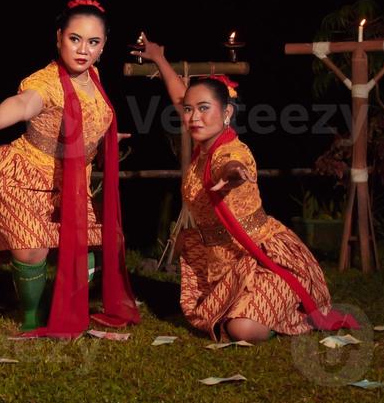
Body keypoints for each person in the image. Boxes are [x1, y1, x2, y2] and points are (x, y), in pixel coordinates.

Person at [139, 37, 356, 340]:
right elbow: (180, 97)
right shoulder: (203, 145)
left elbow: (233, 166)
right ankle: (246, 307)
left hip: (260, 258)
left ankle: (290, 308)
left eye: (204, 108)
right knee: (224, 322)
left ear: (227, 113)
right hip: (221, 262)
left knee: (243, 330)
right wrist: (159, 59)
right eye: (189, 110)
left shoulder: (232, 152)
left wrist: (232, 176)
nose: (193, 117)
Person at [0, 0, 138, 337]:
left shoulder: (94, 77)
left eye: (93, 42)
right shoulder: (45, 81)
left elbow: (86, 118)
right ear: (59, 38)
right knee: (32, 248)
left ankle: (65, 306)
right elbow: (25, 104)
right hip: (23, 174)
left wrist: (99, 138)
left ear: (103, 47)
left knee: (85, 246)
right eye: (75, 39)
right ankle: (31, 313)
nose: (83, 50)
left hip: (71, 181)